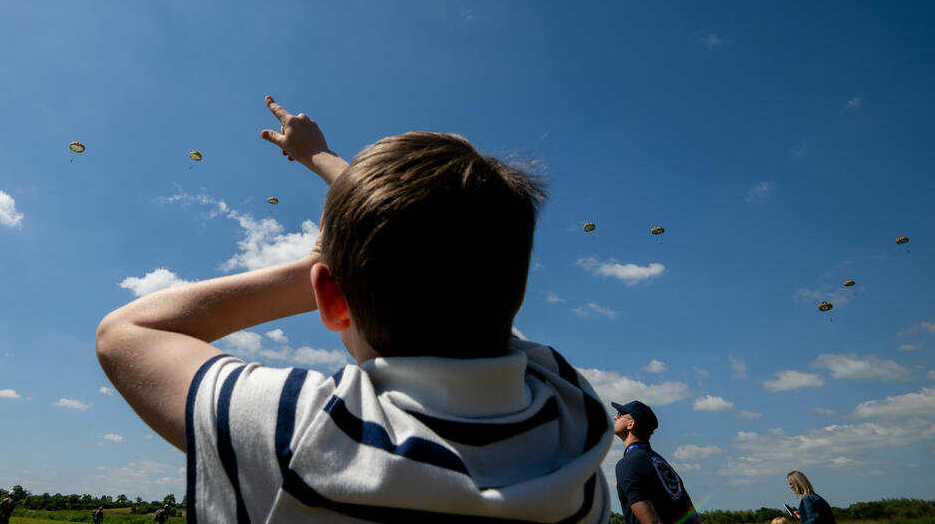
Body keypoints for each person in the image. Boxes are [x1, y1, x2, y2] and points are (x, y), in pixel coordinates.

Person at [97, 95, 612, 522]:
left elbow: (124, 332)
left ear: (331, 298)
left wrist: (319, 250)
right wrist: (329, 182)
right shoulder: (574, 417)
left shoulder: (307, 435)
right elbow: (458, 263)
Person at [612, 400, 701, 524]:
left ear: (630, 424)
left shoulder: (628, 464)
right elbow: (691, 513)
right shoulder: (663, 464)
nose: (615, 417)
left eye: (620, 414)